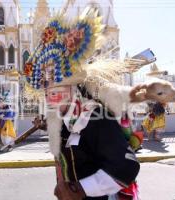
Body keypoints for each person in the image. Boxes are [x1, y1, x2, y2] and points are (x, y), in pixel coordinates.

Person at [23, 9, 141, 199]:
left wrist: (80, 189)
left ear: (72, 90)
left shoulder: (95, 119)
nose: (48, 97)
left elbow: (127, 166)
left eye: (55, 90)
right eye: (46, 91)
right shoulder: (65, 119)